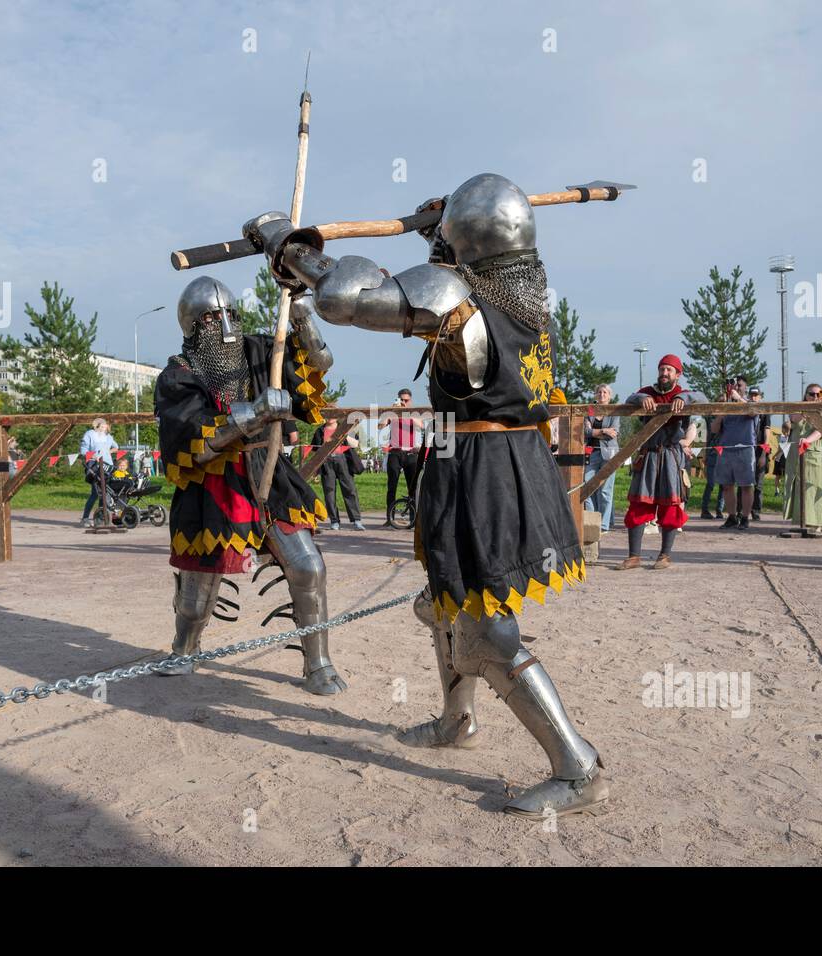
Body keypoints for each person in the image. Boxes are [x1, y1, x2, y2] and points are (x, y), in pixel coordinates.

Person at [243, 172, 605, 817]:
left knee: (488, 631)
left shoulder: (457, 294)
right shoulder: (524, 294)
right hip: (498, 458)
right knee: (443, 603)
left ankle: (575, 767)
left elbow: (346, 300)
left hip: (485, 470)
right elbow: (440, 300)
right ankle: (455, 722)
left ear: (461, 243)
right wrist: (439, 235)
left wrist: (288, 245)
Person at [153, 277, 345, 693]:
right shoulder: (177, 375)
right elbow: (192, 438)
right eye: (211, 316)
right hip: (213, 484)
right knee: (198, 588)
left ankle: (319, 663)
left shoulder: (263, 351)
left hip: (269, 471)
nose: (224, 323)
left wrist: (303, 316)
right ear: (192, 324)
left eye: (230, 314)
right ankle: (185, 649)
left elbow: (318, 364)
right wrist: (255, 411)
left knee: (308, 566)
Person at [620, 354, 700, 568]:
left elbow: (701, 396)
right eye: (662, 369)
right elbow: (630, 398)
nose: (664, 373)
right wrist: (640, 399)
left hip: (671, 455)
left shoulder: (681, 394)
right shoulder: (647, 392)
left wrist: (684, 399)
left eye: (669, 370)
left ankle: (664, 555)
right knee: (639, 503)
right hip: (648, 454)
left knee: (670, 506)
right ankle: (634, 556)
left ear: (677, 374)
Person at [782, 383, 822, 535]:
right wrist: (808, 409)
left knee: (816, 487)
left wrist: (808, 440)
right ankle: (801, 520)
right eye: (812, 394)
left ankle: (817, 523)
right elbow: (794, 419)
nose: (815, 397)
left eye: (819, 394)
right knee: (798, 487)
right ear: (805, 395)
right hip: (797, 453)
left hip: (816, 452)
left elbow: (821, 430)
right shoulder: (798, 408)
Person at [709, 381, 758, 530]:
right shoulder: (725, 405)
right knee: (726, 486)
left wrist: (738, 399)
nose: (735, 388)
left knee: (746, 485)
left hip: (745, 449)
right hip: (726, 450)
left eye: (739, 385)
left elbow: (753, 412)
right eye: (732, 385)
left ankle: (745, 517)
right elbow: (714, 429)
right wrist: (722, 414)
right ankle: (731, 517)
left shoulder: (749, 403)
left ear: (745, 388)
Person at [312, 412, 365, 531]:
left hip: (343, 460)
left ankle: (356, 520)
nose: (330, 417)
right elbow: (315, 451)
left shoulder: (345, 427)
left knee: (350, 490)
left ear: (337, 416)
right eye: (327, 414)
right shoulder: (319, 431)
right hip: (326, 462)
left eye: (333, 414)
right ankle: (334, 521)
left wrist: (345, 434)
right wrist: (315, 470)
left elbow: (355, 444)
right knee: (329, 492)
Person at [382, 388, 423, 528]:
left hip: (411, 453)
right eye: (401, 400)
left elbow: (421, 426)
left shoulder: (414, 413)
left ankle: (413, 519)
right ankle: (389, 518)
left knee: (412, 487)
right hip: (395, 452)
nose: (403, 402)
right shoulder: (392, 413)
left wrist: (406, 412)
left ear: (410, 400)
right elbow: (380, 426)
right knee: (391, 486)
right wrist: (390, 413)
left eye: (406, 400)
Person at [582, 383, 620, 531]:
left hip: (609, 454)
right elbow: (585, 431)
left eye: (605, 392)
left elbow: (614, 432)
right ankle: (592, 522)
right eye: (599, 392)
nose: (602, 395)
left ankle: (603, 525)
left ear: (609, 396)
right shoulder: (590, 410)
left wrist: (594, 431)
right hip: (591, 452)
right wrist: (604, 430)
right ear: (595, 395)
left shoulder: (615, 411)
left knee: (605, 490)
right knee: (588, 486)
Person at [79, 418, 119, 527]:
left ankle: (101, 518)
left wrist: (107, 452)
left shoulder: (108, 437)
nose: (104, 427)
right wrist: (94, 456)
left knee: (105, 493)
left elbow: (116, 447)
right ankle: (85, 518)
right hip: (95, 466)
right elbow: (83, 450)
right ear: (97, 426)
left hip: (108, 466)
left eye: (105, 426)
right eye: (101, 426)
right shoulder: (90, 434)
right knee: (95, 493)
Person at [748, 385, 772, 520]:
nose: (753, 397)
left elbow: (767, 434)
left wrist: (764, 454)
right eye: (751, 395)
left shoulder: (764, 412)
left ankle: (756, 510)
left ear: (760, 396)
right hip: (746, 450)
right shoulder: (744, 411)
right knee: (744, 483)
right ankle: (741, 510)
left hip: (759, 451)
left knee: (758, 484)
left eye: (756, 395)